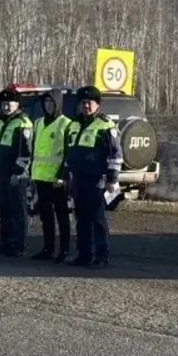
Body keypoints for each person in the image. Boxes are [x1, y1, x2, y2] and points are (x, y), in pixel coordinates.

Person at [64, 86, 122, 269]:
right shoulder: (74, 124)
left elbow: (115, 154)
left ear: (97, 104)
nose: (86, 106)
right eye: (83, 103)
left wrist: (112, 179)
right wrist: (66, 176)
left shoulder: (106, 125)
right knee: (81, 219)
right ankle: (84, 255)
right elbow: (68, 152)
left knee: (97, 220)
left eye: (89, 103)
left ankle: (101, 256)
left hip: (97, 180)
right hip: (78, 179)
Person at [29, 90, 76, 261]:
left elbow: (69, 153)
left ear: (58, 104)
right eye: (46, 102)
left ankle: (64, 250)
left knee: (62, 216)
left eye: (51, 102)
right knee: (46, 216)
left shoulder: (66, 124)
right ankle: (48, 249)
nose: (48, 105)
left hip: (57, 179)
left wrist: (62, 176)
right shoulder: (38, 122)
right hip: (40, 176)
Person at [0, 88, 34, 255]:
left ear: (17, 104)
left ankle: (18, 244)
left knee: (18, 208)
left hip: (15, 174)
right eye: (3, 104)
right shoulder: (0, 122)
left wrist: (18, 172)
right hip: (1, 172)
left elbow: (26, 152)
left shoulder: (23, 123)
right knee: (4, 208)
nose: (6, 107)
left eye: (9, 104)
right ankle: (6, 241)